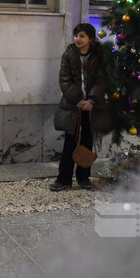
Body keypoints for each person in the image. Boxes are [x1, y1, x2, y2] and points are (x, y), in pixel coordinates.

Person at [51, 23, 111, 191]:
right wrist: (78, 100)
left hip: (91, 108)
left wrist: (91, 100)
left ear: (90, 39)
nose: (78, 39)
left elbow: (101, 80)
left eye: (82, 36)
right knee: (70, 142)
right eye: (76, 35)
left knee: (86, 142)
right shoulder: (69, 55)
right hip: (73, 107)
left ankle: (84, 177)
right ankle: (63, 179)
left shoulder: (98, 56)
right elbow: (64, 80)